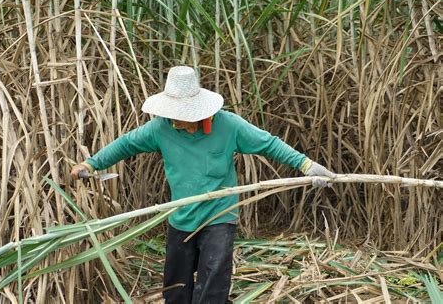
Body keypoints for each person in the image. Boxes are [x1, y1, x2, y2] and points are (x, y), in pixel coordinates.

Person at [71, 66, 336, 303]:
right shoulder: (161, 128)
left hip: (219, 215)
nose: (174, 119)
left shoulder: (229, 126)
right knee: (176, 286)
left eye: (180, 114)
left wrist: (306, 166)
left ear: (199, 112)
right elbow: (126, 144)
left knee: (213, 282)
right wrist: (91, 164)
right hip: (181, 215)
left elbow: (269, 143)